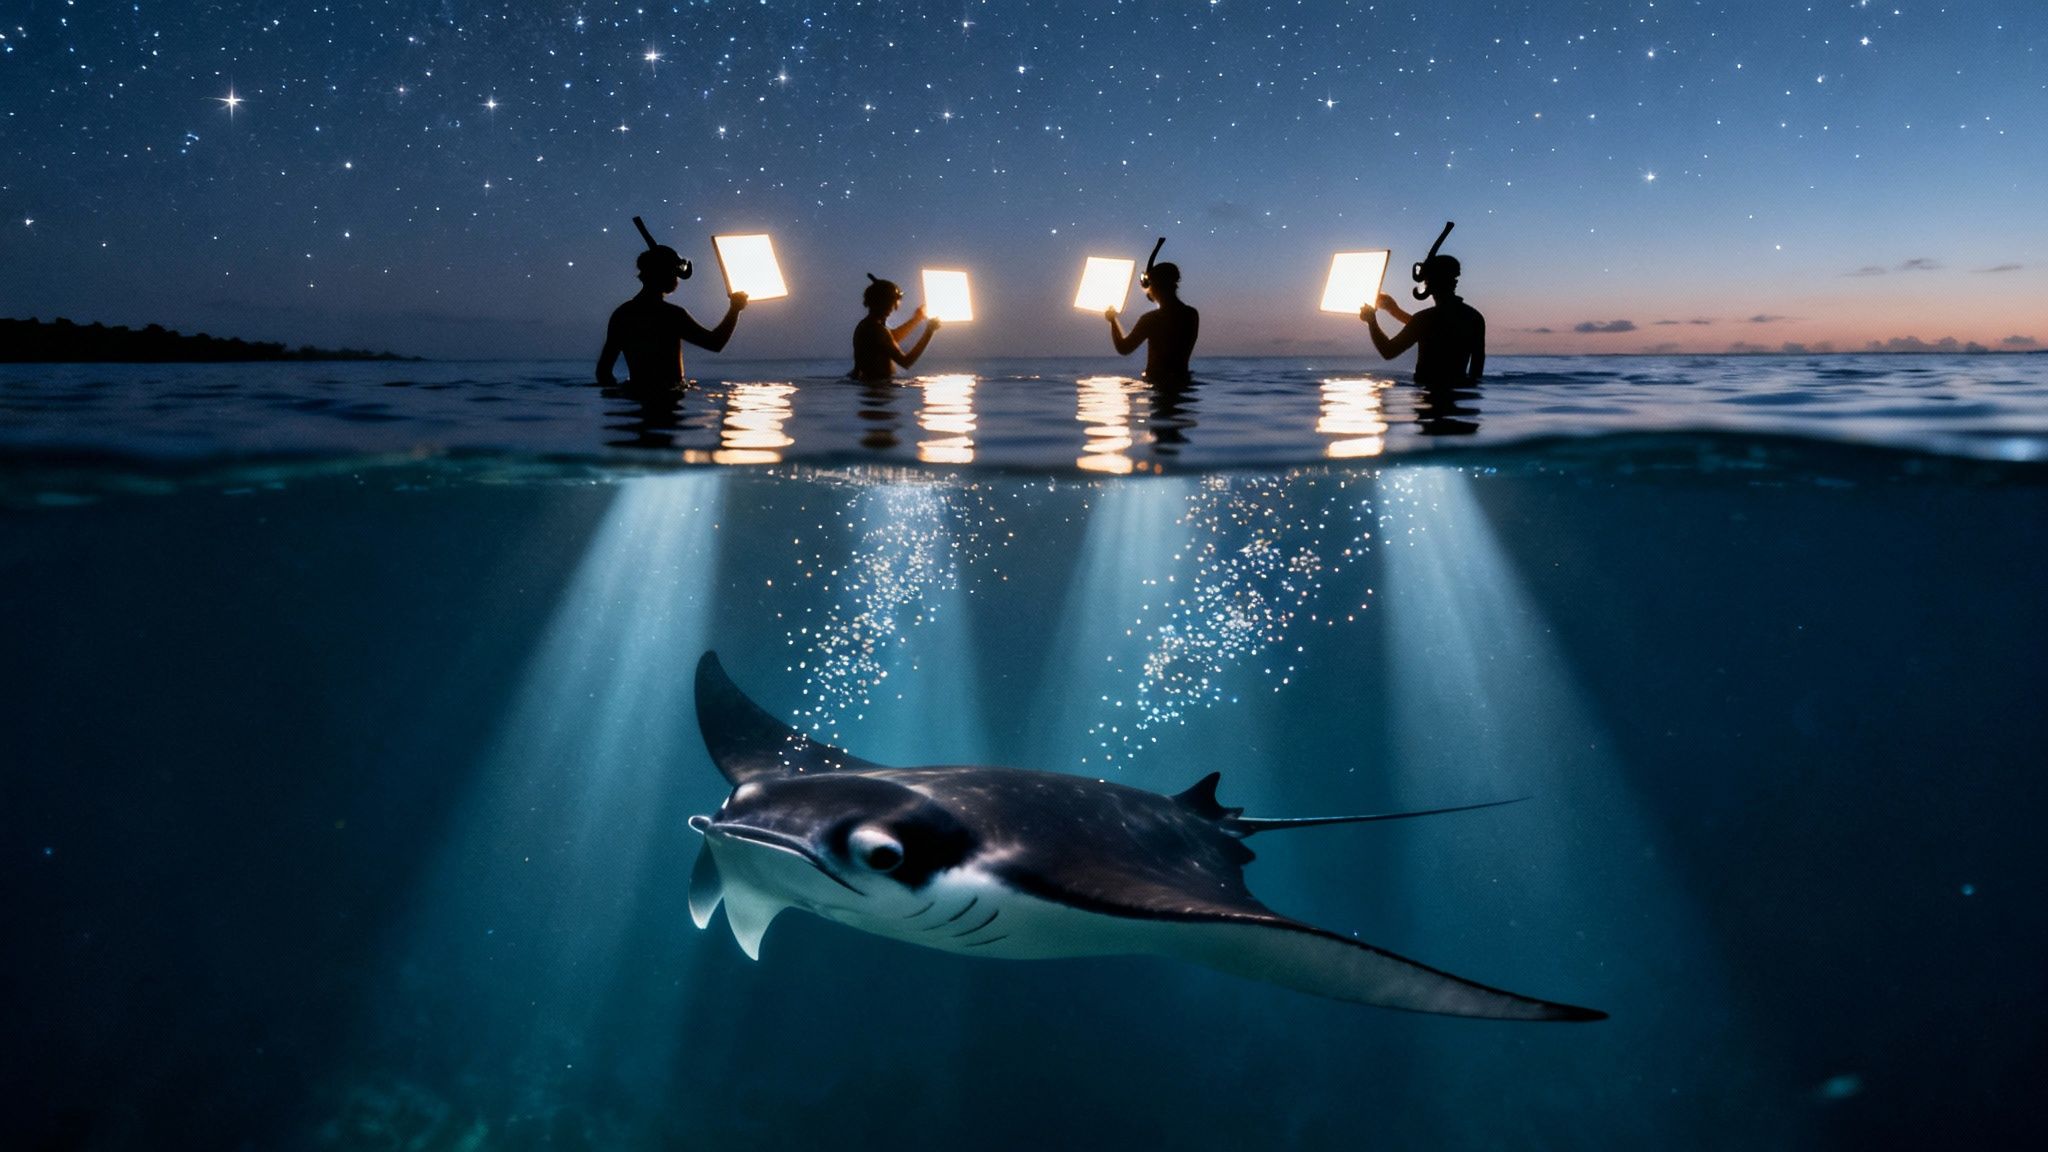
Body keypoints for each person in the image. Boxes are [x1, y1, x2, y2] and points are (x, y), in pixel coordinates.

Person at [596, 244, 746, 389]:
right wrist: (735, 309)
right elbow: (715, 343)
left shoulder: (622, 314)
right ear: (665, 274)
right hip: (668, 399)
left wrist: (620, 394)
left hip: (635, 397)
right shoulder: (672, 315)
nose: (677, 280)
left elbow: (603, 372)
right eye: (675, 274)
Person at [1359, 254, 1485, 387]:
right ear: (1454, 281)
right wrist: (1394, 310)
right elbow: (1476, 372)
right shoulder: (1474, 317)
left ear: (1430, 282)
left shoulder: (1424, 320)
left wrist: (1371, 321)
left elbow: (1388, 351)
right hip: (1460, 395)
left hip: (1427, 394)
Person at [1105, 253, 1199, 385]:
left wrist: (1113, 320)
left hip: (1156, 383)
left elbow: (1124, 348)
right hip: (1183, 381)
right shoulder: (1191, 314)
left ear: (1155, 286)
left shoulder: (1151, 319)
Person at [851, 274, 940, 381]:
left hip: (869, 385)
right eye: (892, 303)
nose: (893, 308)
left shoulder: (865, 325)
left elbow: (892, 338)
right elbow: (906, 362)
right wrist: (929, 331)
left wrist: (917, 319)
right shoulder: (877, 330)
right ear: (885, 303)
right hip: (879, 387)